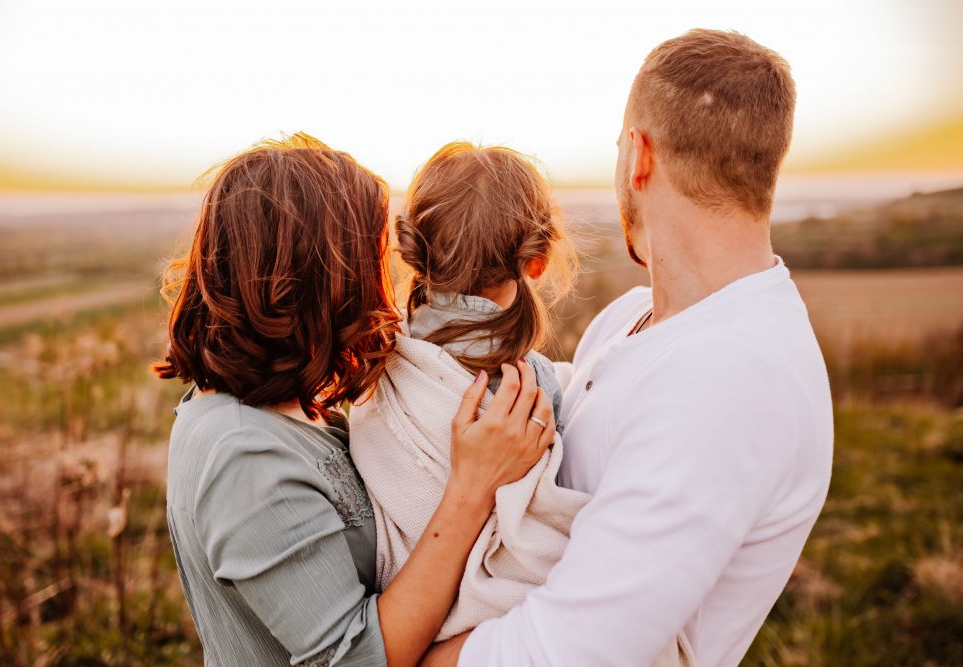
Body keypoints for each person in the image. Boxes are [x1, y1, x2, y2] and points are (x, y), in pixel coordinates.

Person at [422, 29, 834, 667]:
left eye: (618, 148)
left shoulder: (735, 377)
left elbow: (567, 653)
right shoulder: (634, 316)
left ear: (637, 156)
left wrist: (383, 651)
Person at [155, 133, 555, 667]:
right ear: (317, 277)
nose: (385, 282)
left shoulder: (283, 409)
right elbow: (355, 661)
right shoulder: (241, 455)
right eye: (367, 259)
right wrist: (473, 489)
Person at [347, 142, 692, 666]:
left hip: (406, 607)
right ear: (536, 263)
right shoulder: (533, 386)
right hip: (491, 617)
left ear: (416, 250)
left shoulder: (379, 362)